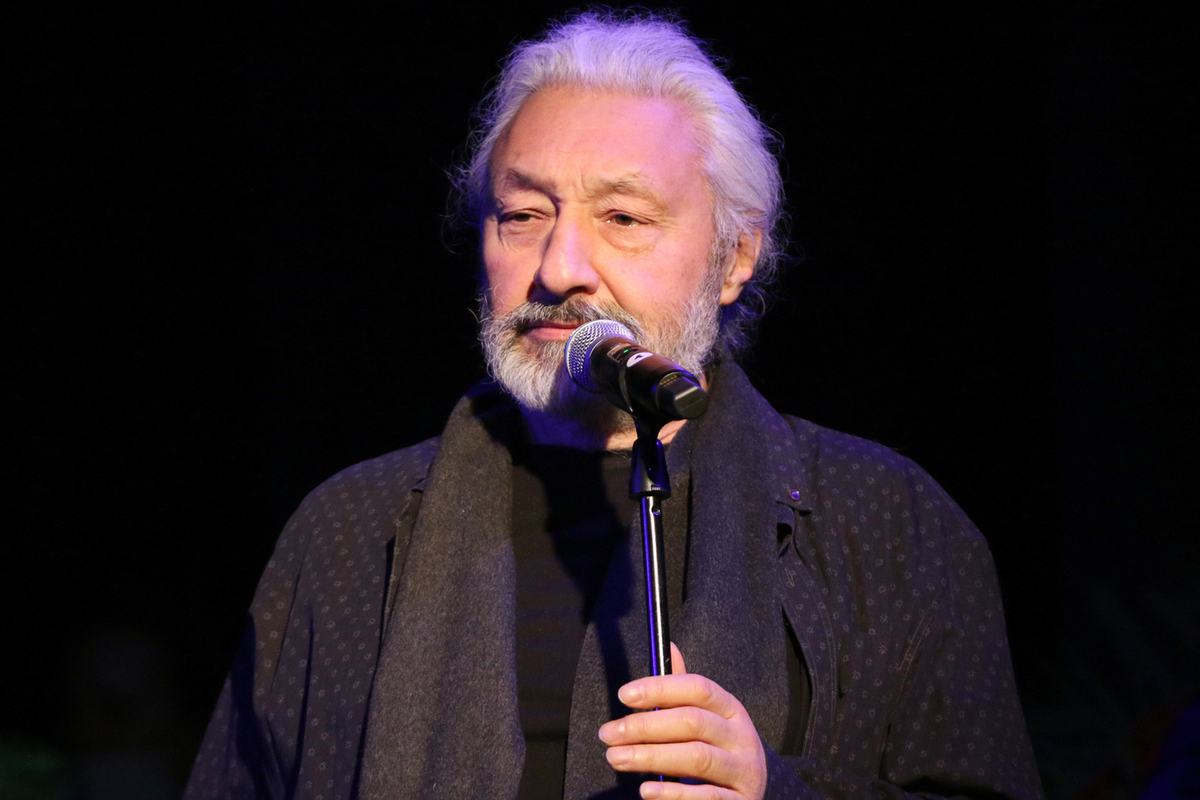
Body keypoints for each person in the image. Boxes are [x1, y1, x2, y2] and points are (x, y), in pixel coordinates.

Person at [184, 11, 1043, 800]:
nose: (560, 268)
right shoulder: (348, 530)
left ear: (735, 257)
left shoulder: (884, 519)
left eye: (624, 218)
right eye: (522, 215)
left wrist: (775, 793)